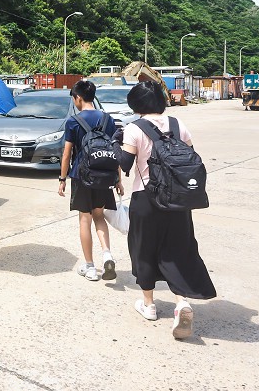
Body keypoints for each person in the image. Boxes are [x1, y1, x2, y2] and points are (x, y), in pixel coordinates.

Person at [113, 80, 216, 340]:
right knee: (176, 249)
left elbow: (125, 164)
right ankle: (181, 302)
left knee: (144, 249)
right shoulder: (178, 124)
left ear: (136, 104)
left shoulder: (134, 128)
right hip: (177, 200)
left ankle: (148, 305)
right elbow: (189, 157)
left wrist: (116, 142)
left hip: (146, 199)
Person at [58, 80, 123, 282]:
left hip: (81, 175)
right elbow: (115, 151)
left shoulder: (73, 121)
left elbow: (67, 154)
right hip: (105, 176)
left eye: (74, 99)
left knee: (84, 219)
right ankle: (107, 255)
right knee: (99, 216)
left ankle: (90, 267)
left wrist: (62, 178)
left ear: (78, 98)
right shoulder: (107, 119)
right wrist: (118, 180)